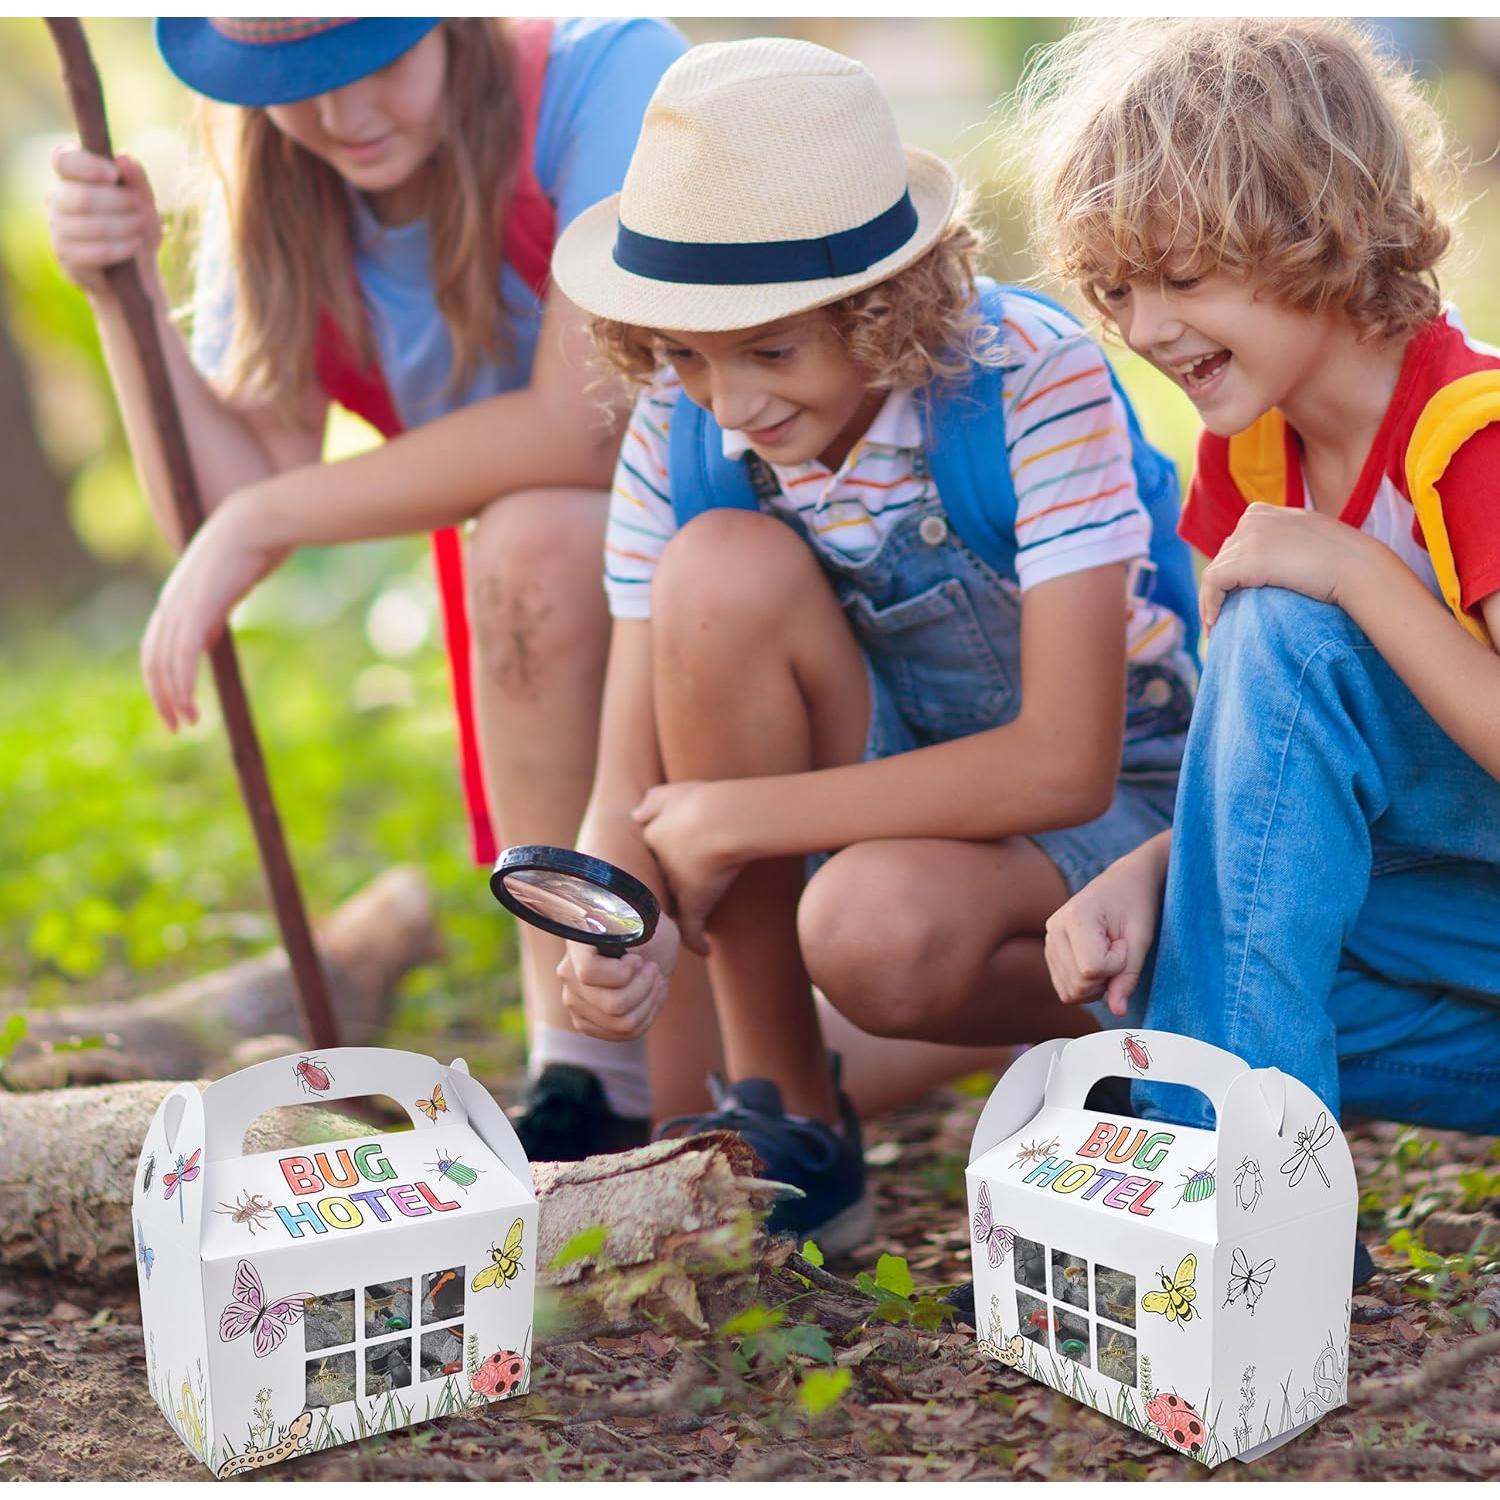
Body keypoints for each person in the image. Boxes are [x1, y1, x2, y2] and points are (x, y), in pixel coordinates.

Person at [545, 37, 1200, 1251]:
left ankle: (1199, 1020)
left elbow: (1066, 765)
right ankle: (792, 1119)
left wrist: (736, 819)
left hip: (1123, 801)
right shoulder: (678, 428)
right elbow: (627, 786)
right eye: (687, 353)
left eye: (772, 349)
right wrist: (610, 915)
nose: (730, 401)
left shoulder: (1024, 380)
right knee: (715, 569)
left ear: (883, 306)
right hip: (876, 766)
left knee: (869, 934)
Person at [45, 15, 692, 1159]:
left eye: (377, 61)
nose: (343, 116)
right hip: (538, 597)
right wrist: (124, 295)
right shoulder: (280, 182)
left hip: (739, 557)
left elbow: (586, 424)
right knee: (529, 545)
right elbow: (224, 509)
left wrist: (261, 516)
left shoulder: (600, 80)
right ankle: (583, 1077)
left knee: (535, 531)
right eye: (298, 82)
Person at [1028, 18, 1500, 1136]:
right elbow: (1264, 781)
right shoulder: (1241, 460)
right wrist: (1156, 866)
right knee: (1182, 950)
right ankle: (1235, 1173)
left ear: (1318, 231)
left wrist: (1353, 570)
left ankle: (1222, 1192)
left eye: (1182, 277)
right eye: (1115, 291)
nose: (1145, 328)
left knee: (1287, 622)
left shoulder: (1471, 439)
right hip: (1435, 907)